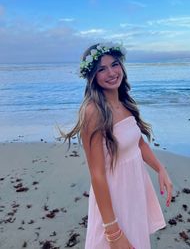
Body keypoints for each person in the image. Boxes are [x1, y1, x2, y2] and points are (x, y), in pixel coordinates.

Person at [63, 42, 173, 249]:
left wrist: (160, 169)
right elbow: (97, 174)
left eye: (114, 64)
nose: (111, 72)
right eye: (101, 69)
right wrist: (113, 232)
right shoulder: (93, 112)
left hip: (135, 191)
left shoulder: (124, 103)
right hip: (113, 199)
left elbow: (138, 143)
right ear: (92, 76)